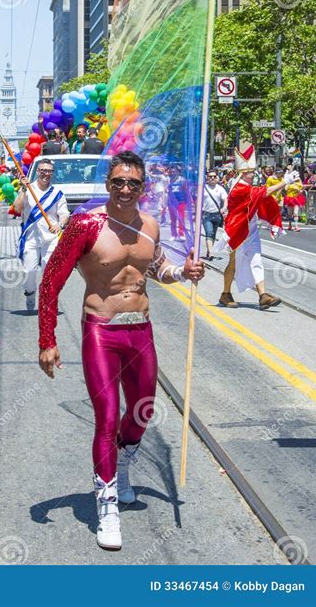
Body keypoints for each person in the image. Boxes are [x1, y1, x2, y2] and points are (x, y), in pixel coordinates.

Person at [37, 151, 205, 551]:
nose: (126, 189)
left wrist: (184, 272)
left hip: (140, 331)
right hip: (101, 332)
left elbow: (158, 269)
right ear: (108, 185)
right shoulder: (85, 225)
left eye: (133, 183)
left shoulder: (150, 225)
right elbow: (50, 283)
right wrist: (47, 340)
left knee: (143, 411)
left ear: (143, 186)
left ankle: (123, 462)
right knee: (107, 418)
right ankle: (107, 504)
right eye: (118, 183)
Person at [217, 145, 295, 310]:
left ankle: (263, 295)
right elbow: (262, 193)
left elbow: (263, 198)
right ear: (243, 173)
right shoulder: (238, 188)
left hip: (250, 229)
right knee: (234, 264)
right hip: (237, 230)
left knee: (256, 260)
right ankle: (225, 294)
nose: (255, 174)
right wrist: (284, 182)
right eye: (252, 172)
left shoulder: (250, 187)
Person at [13, 158, 69, 311]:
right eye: (43, 170)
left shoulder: (57, 193)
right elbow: (17, 209)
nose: (46, 174)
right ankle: (30, 293)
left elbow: (64, 214)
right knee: (29, 271)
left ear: (52, 173)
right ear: (37, 172)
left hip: (50, 239)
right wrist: (23, 190)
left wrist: (60, 224)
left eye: (49, 171)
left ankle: (48, 302)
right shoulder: (28, 189)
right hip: (31, 238)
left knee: (49, 270)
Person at [202, 170, 227, 260]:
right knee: (209, 233)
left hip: (217, 215)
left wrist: (224, 207)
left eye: (214, 176)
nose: (212, 178)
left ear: (217, 178)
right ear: (207, 178)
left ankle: (209, 251)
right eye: (210, 176)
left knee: (213, 234)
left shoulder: (220, 188)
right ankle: (211, 252)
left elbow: (225, 199)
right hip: (206, 215)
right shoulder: (203, 188)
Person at [167, 165, 188, 241]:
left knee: (181, 218)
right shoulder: (169, 180)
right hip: (171, 201)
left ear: (178, 172)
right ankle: (173, 235)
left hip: (180, 201)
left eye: (174, 171)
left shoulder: (183, 180)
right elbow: (167, 190)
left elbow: (186, 190)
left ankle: (181, 234)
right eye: (171, 171)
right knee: (173, 219)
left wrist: (187, 200)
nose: (172, 173)